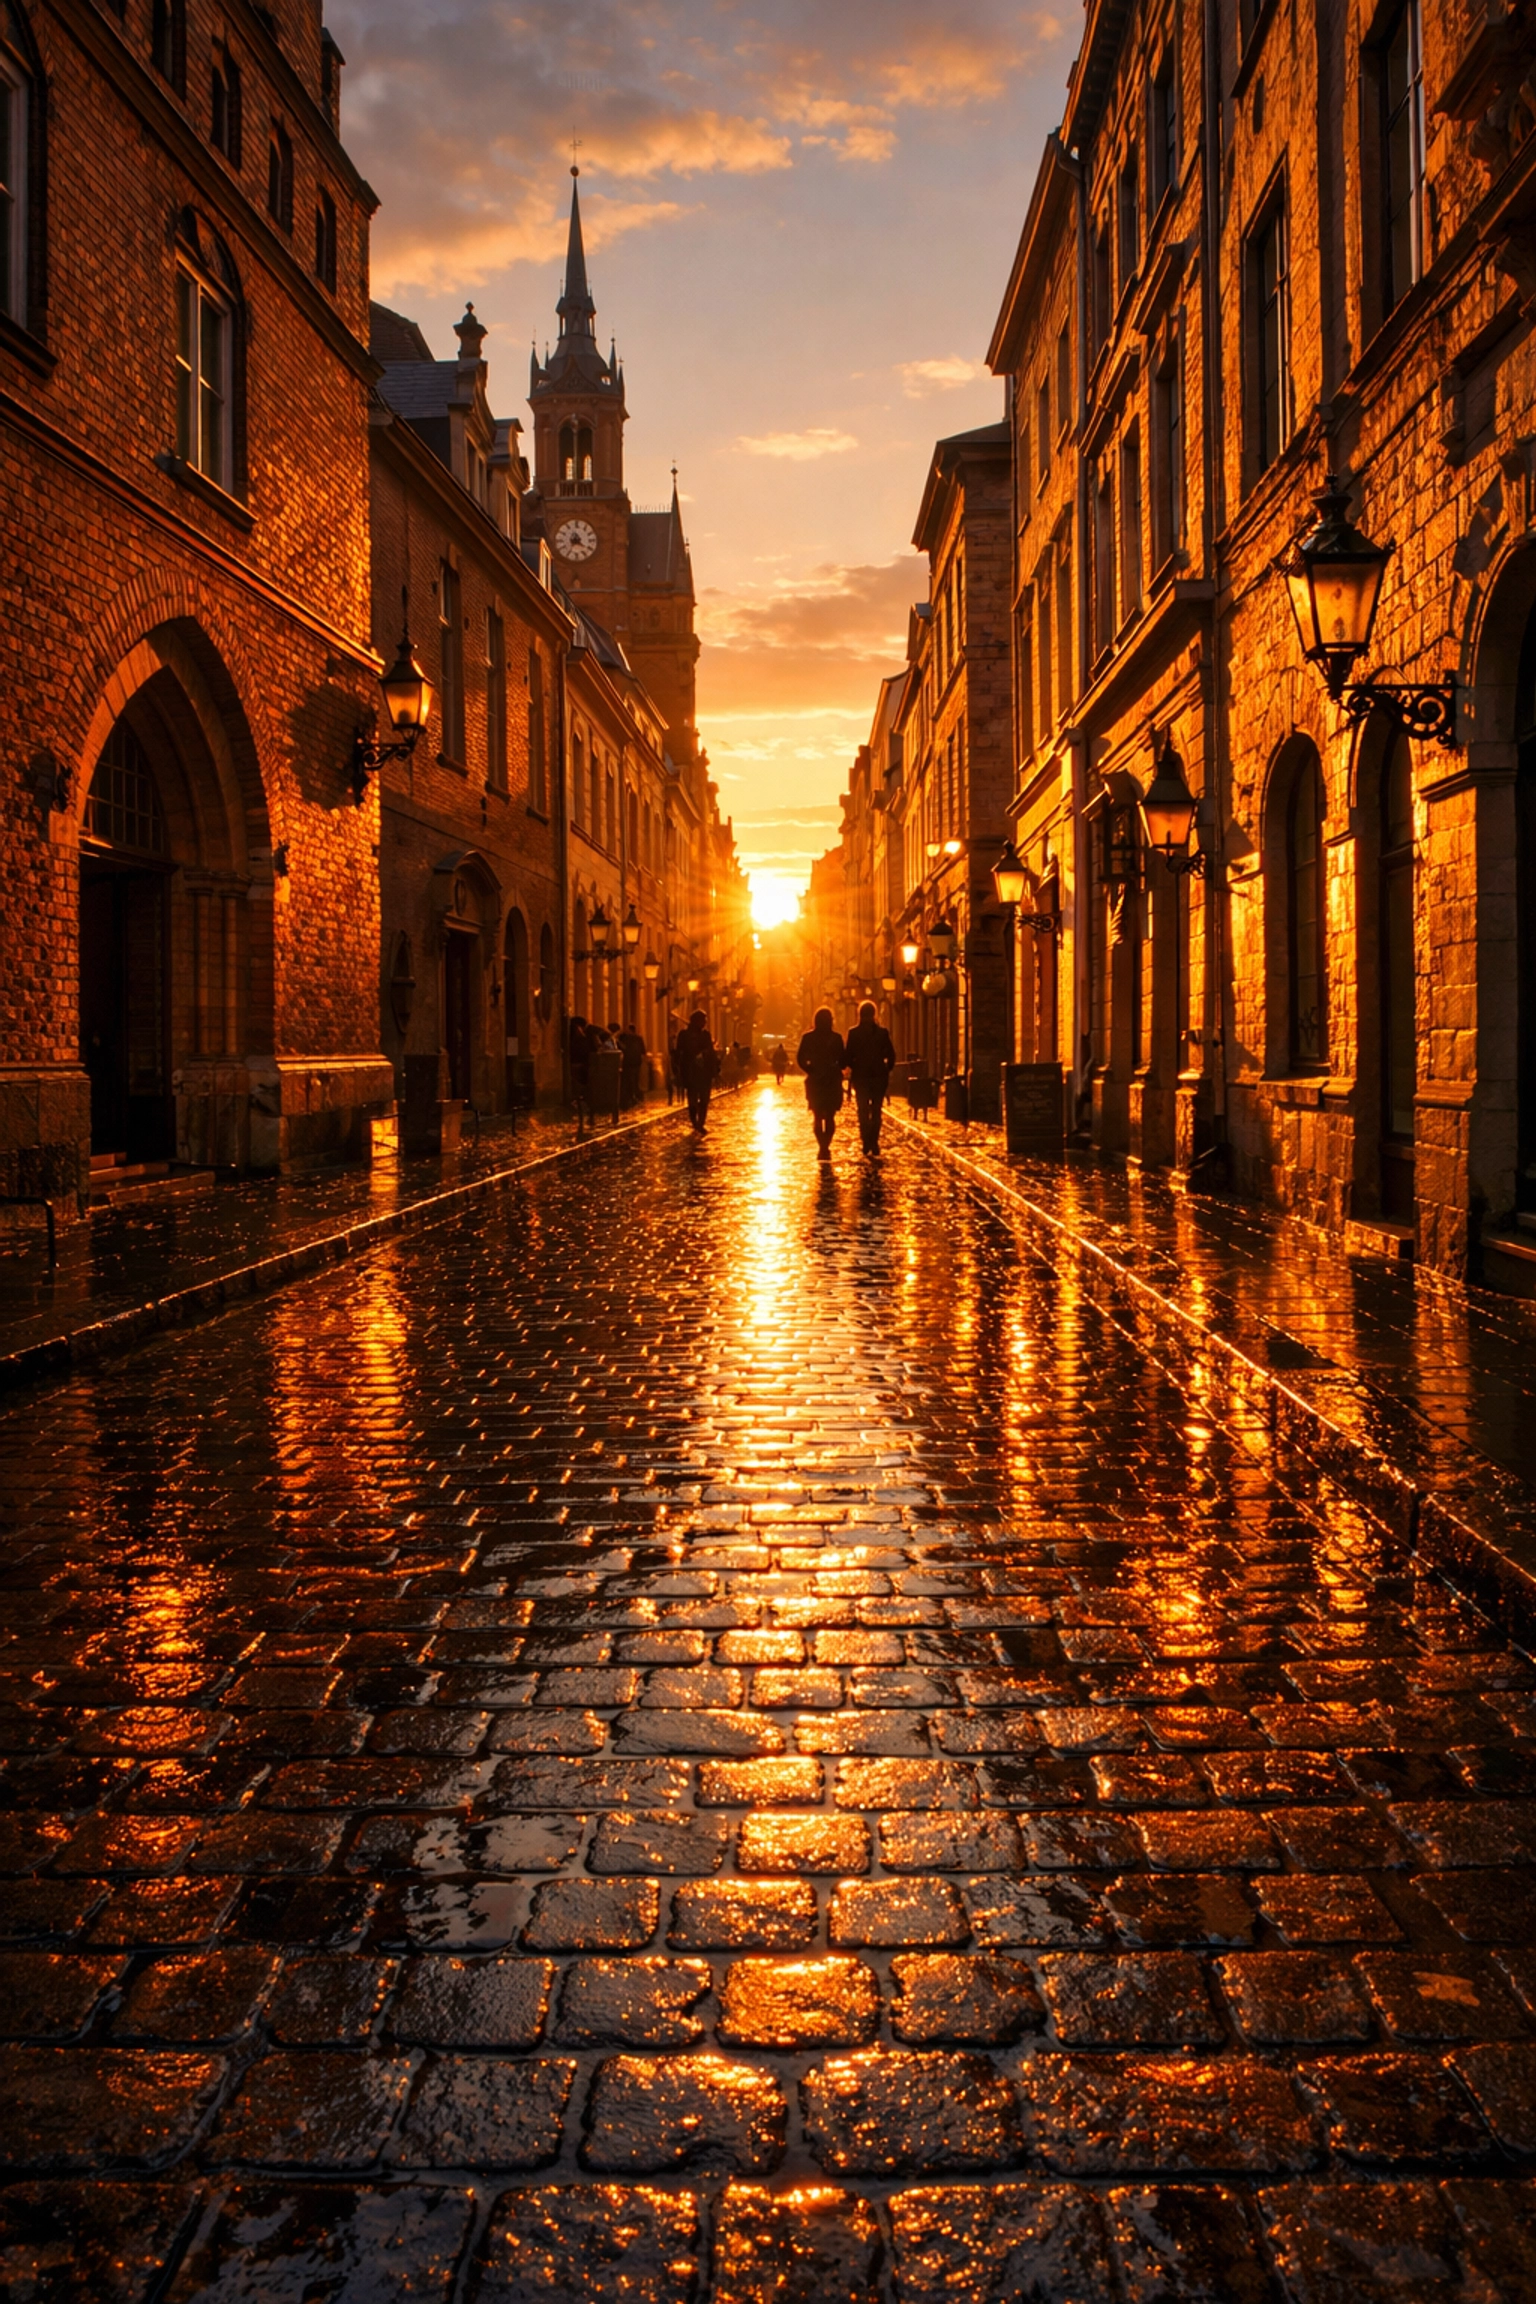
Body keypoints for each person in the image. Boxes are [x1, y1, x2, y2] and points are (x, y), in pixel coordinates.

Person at [845, 1000, 896, 1156]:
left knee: (863, 1110)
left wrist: (855, 1066)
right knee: (876, 1110)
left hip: (861, 1077)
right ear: (874, 1014)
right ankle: (873, 1141)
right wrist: (886, 1069)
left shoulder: (854, 1033)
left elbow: (848, 1057)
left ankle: (866, 1140)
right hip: (878, 1077)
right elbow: (891, 1055)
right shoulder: (882, 1033)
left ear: (860, 1014)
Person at [797, 1006, 847, 1160]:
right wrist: (837, 1067)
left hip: (815, 1081)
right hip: (832, 1080)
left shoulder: (808, 1038)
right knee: (830, 1115)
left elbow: (800, 1058)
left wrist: (810, 1069)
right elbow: (843, 1060)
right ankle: (826, 1146)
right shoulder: (837, 1038)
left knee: (818, 1115)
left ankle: (822, 1147)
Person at [674, 1008, 719, 1134]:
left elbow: (710, 1053)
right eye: (703, 1020)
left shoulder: (705, 1035)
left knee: (702, 1099)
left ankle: (699, 1123)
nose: (705, 1023)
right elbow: (679, 1053)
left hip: (701, 1072)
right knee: (695, 1099)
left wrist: (714, 1070)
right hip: (692, 1072)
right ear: (696, 1021)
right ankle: (696, 1122)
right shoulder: (685, 1035)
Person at [568, 1015, 592, 1130]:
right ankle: (582, 1108)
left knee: (577, 1089)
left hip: (574, 1066)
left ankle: (579, 1107)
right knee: (581, 1089)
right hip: (581, 1067)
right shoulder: (582, 1037)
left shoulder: (572, 1036)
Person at [618, 1022, 646, 1109]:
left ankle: (630, 1097)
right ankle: (636, 1096)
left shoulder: (625, 1038)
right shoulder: (639, 1038)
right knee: (635, 1080)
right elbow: (643, 1051)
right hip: (637, 1062)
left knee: (628, 1080)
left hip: (628, 1062)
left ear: (630, 1030)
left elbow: (621, 1048)